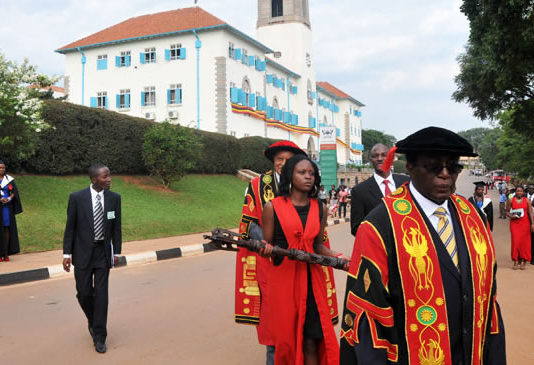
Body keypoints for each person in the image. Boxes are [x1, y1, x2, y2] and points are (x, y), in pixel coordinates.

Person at [340, 127, 506, 364]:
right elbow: (369, 319)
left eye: (453, 167)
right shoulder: (380, 225)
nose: (445, 174)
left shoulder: (474, 217)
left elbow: (490, 301)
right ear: (410, 168)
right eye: (434, 166)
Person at [234, 141, 339, 364]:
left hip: (308, 270)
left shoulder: (316, 204)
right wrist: (267, 245)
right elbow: (249, 224)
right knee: (279, 331)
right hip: (276, 266)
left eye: (287, 160)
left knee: (312, 333)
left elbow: (318, 240)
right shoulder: (259, 187)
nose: (282, 163)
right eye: (278, 159)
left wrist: (336, 257)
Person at [261, 154, 349, 365]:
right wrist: (266, 250)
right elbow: (268, 245)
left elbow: (318, 245)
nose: (308, 177)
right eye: (302, 172)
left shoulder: (320, 207)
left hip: (312, 281)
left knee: (313, 339)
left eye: (311, 173)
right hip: (284, 281)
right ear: (290, 175)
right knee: (287, 339)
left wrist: (338, 256)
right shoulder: (272, 207)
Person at [62, 164, 122, 353]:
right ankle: (93, 318)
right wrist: (66, 254)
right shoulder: (77, 198)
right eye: (105, 176)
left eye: (109, 175)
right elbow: (70, 228)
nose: (109, 179)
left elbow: (116, 228)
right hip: (82, 254)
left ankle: (99, 335)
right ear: (94, 179)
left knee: (102, 296)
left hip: (103, 254)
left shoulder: (114, 198)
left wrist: (117, 252)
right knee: (84, 293)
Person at [350, 143, 410, 236]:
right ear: (371, 160)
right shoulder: (359, 191)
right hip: (378, 247)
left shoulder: (406, 183)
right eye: (375, 156)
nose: (379, 159)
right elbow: (356, 228)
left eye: (384, 155)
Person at [506, 185, 534, 270]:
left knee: (525, 243)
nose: (519, 193)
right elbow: (507, 211)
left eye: (521, 191)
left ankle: (523, 260)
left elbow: (530, 213)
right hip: (515, 224)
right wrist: (511, 216)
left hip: (525, 223)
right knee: (515, 242)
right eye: (518, 191)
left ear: (523, 192)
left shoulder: (527, 201)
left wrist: (532, 224)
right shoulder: (511, 200)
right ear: (515, 192)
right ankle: (515, 260)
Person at [0, 161, 22, 262]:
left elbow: (14, 192)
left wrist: (8, 199)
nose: (2, 170)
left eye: (3, 168)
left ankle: (5, 254)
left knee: (7, 229)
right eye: (0, 168)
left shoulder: (8, 179)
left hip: (6, 208)